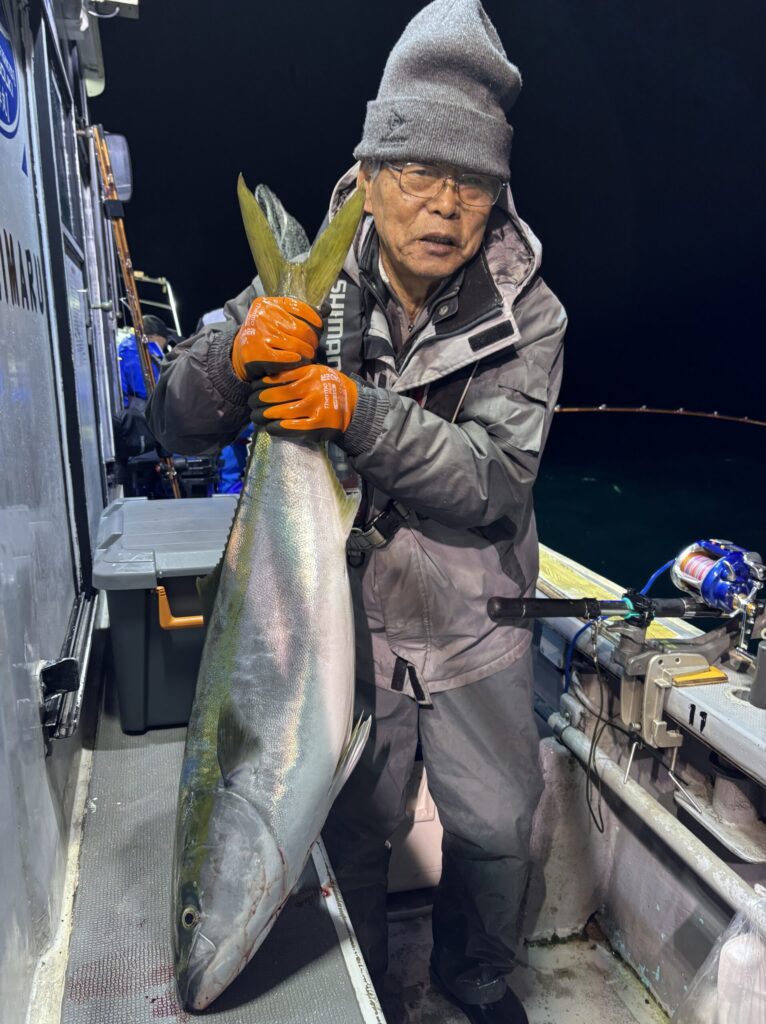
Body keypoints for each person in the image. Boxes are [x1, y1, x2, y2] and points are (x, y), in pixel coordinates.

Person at [147, 2, 566, 1021]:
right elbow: (173, 421)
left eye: (472, 182)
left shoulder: (532, 315)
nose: (445, 206)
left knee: (499, 831)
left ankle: (474, 979)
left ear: (497, 195)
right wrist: (235, 354)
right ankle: (370, 987)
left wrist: (353, 411)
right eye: (418, 173)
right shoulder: (305, 290)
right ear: (368, 176)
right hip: (346, 627)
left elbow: (492, 482)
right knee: (355, 829)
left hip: (476, 624)